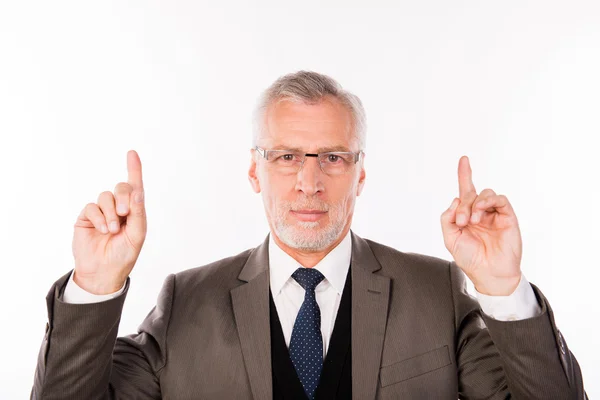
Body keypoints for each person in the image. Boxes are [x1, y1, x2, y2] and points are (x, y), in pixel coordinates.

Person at [31, 71, 587, 399]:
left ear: (361, 173)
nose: (309, 181)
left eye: (333, 157)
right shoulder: (186, 303)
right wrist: (94, 286)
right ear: (254, 171)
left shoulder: (435, 291)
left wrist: (504, 289)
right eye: (287, 156)